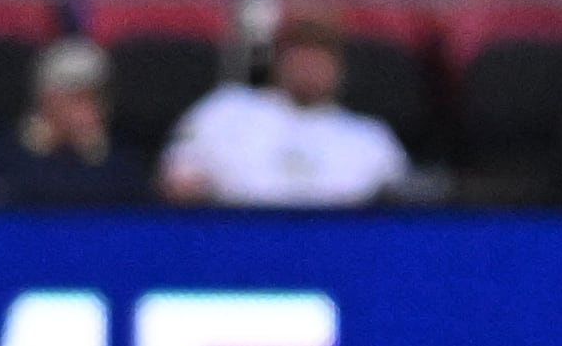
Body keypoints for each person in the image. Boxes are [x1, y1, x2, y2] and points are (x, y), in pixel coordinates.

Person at [160, 12, 409, 207]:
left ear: (339, 66)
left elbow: (402, 212)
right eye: (300, 52)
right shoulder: (224, 111)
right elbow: (177, 184)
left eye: (321, 54)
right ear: (279, 58)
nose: (309, 64)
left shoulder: (371, 138)